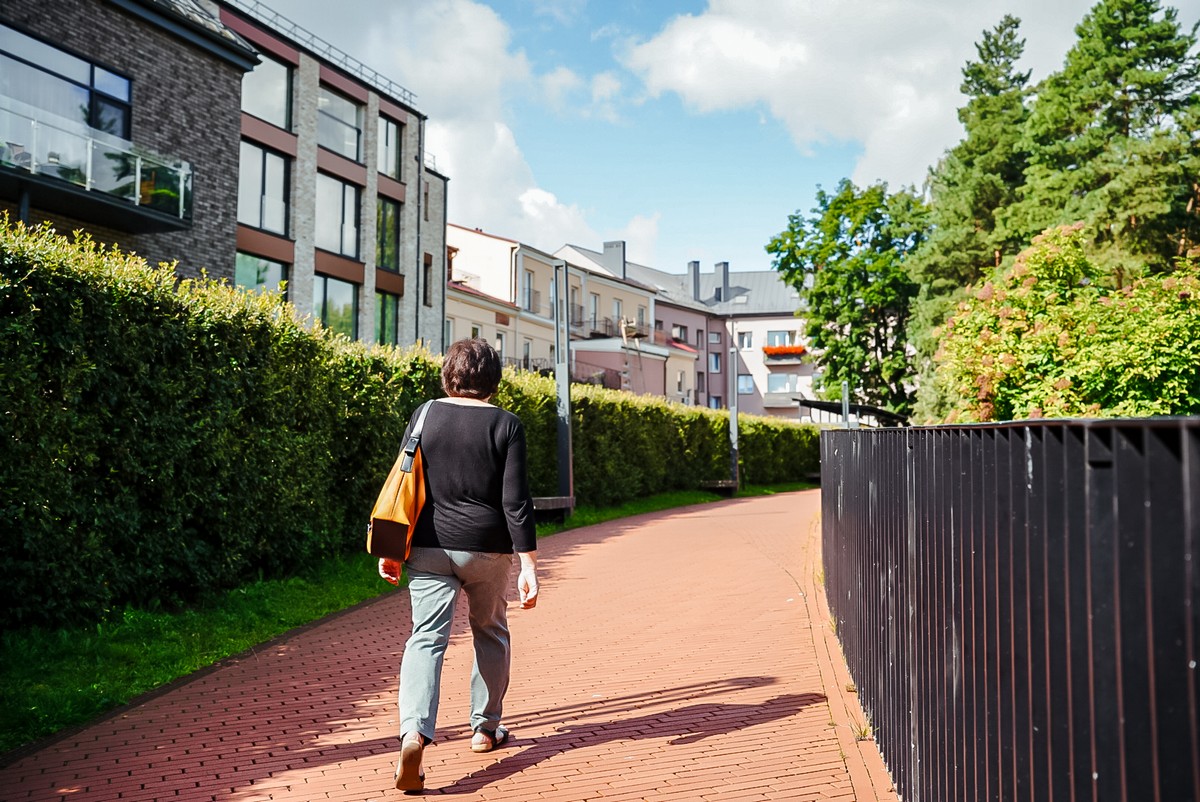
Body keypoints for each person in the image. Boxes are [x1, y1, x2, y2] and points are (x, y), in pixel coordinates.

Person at [377, 338, 539, 794]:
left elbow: (403, 483)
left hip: (428, 547)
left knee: (425, 637)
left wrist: (392, 549)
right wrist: (528, 564)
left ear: (449, 373)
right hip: (487, 549)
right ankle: (485, 729)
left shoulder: (425, 414)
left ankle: (413, 732)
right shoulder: (507, 425)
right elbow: (516, 502)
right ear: (494, 378)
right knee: (490, 631)